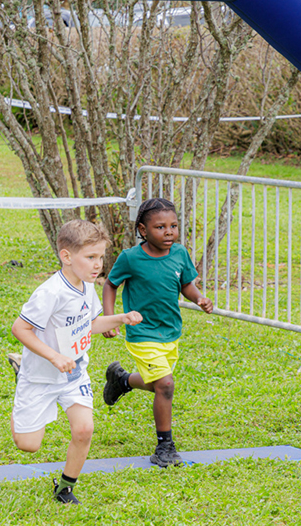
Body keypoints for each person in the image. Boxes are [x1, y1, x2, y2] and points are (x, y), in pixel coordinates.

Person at [10, 219, 142, 505]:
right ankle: (21, 372)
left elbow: (90, 324)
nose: (98, 265)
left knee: (84, 430)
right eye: (91, 257)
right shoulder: (50, 292)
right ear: (66, 256)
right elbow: (20, 328)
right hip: (41, 376)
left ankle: (65, 488)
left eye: (101, 257)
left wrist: (121, 318)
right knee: (28, 445)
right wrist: (54, 356)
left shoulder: (87, 286)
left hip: (74, 374)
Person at [101, 198, 213, 468]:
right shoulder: (130, 258)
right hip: (142, 333)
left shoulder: (180, 253)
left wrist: (199, 298)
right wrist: (109, 318)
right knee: (165, 384)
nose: (169, 232)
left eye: (173, 226)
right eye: (160, 227)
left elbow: (186, 284)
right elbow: (110, 284)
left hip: (170, 332)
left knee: (158, 384)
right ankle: (165, 446)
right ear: (143, 230)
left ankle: (123, 381)